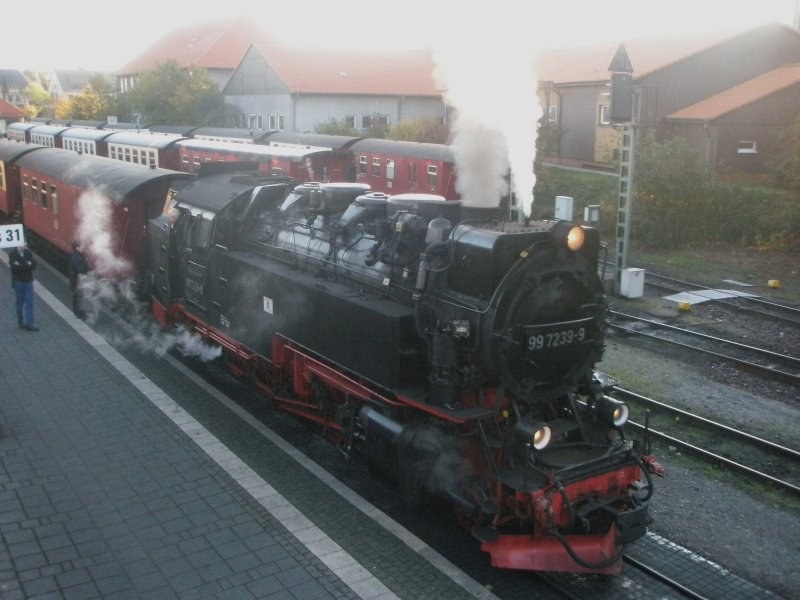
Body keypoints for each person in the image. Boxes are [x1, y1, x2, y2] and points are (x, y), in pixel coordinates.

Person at [9, 243, 38, 331]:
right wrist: (27, 264)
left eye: (25, 243)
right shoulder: (12, 254)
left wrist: (21, 265)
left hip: (28, 281)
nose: (25, 245)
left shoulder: (28, 253)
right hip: (19, 282)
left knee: (30, 303)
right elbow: (14, 269)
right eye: (23, 243)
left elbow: (34, 265)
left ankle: (29, 324)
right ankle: (20, 321)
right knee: (19, 303)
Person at [68, 240, 90, 318]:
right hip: (78, 281)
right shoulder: (77, 257)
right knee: (78, 297)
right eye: (81, 246)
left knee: (78, 297)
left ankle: (79, 312)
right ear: (77, 247)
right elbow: (81, 269)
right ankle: (79, 313)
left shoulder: (76, 255)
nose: (83, 247)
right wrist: (88, 268)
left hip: (77, 280)